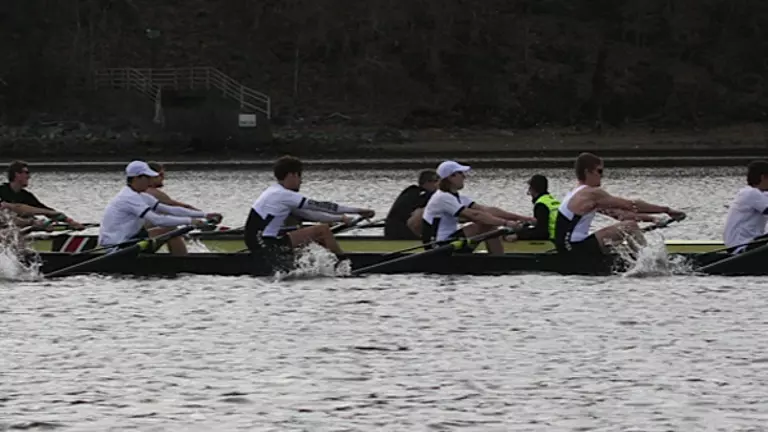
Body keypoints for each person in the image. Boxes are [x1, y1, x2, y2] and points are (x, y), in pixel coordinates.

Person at [245, 156, 375, 263]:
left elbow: (311, 214)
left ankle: (327, 261)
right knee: (322, 230)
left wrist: (340, 218)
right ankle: (344, 264)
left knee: (316, 233)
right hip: (265, 244)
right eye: (299, 176)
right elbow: (322, 206)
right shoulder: (284, 195)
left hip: (258, 242)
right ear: (291, 175)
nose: (301, 181)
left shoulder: (273, 191)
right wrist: (358, 210)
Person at [554, 152, 685, 256]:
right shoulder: (591, 193)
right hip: (573, 248)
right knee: (630, 226)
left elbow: (620, 215)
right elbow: (631, 205)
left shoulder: (577, 193)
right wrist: (666, 210)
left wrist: (653, 219)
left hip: (567, 247)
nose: (602, 175)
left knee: (621, 234)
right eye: (599, 171)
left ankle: (637, 259)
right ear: (588, 172)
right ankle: (650, 263)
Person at [98, 161, 223, 255]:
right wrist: (190, 221)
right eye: (148, 178)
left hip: (130, 239)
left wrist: (205, 215)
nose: (151, 182)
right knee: (170, 230)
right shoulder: (128, 197)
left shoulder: (141, 195)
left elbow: (170, 210)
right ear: (137, 178)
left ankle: (181, 259)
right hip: (116, 246)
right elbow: (158, 220)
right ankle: (183, 263)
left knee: (170, 229)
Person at [421, 161, 535, 255]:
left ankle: (498, 257)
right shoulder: (442, 197)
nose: (464, 177)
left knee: (488, 223)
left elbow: (486, 210)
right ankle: (499, 259)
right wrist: (506, 223)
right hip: (436, 247)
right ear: (451, 177)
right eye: (461, 173)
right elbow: (475, 215)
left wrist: (523, 218)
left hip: (449, 243)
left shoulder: (457, 197)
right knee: (485, 225)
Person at [0, 160, 85, 229]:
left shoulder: (26, 196)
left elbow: (46, 210)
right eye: (26, 172)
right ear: (16, 174)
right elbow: (12, 211)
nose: (29, 176)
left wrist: (69, 221)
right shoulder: (1, 191)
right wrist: (32, 222)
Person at [723, 160, 768, 253]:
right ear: (763, 177)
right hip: (741, 245)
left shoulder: (759, 194)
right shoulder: (750, 193)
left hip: (748, 243)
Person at [384, 169, 438, 240]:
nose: (439, 185)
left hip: (397, 230)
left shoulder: (412, 191)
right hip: (399, 234)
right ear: (427, 182)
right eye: (436, 181)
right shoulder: (421, 195)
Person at [505, 174, 560, 242]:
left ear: (532, 189)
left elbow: (542, 233)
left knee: (509, 235)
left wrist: (518, 235)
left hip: (551, 240)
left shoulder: (541, 204)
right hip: (559, 237)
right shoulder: (553, 201)